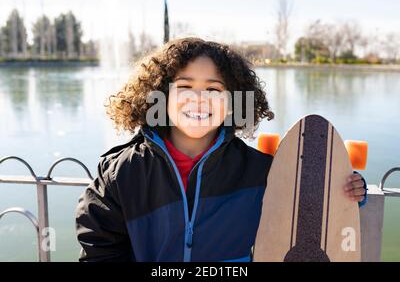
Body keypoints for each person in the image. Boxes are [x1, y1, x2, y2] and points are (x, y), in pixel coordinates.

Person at [75, 37, 367, 262]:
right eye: (185, 87)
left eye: (214, 90)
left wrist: (353, 189)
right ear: (160, 96)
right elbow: (98, 245)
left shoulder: (257, 170)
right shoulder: (121, 172)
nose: (199, 99)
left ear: (233, 101)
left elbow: (308, 202)